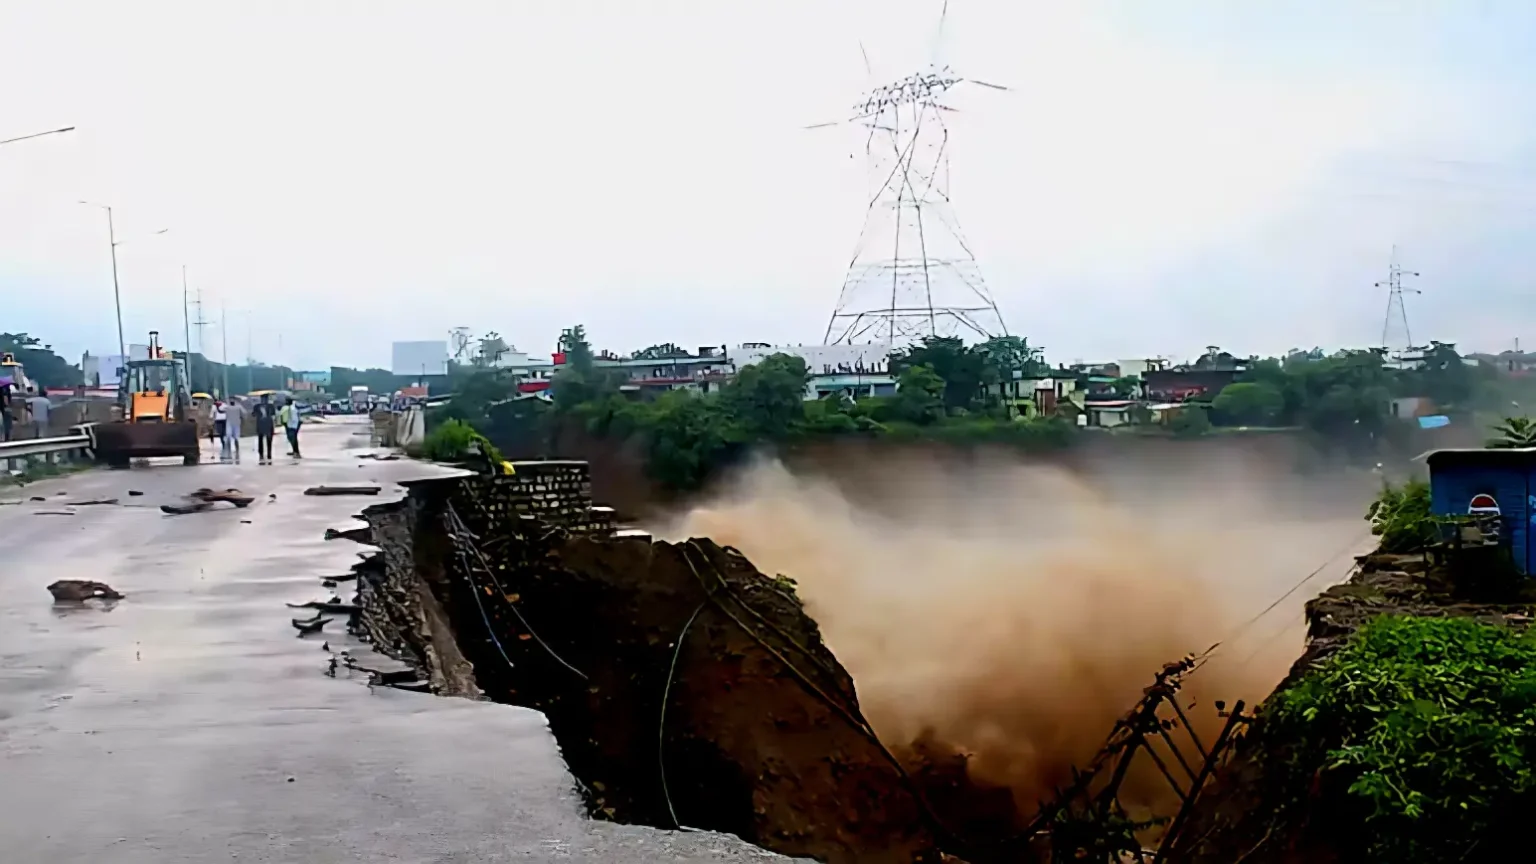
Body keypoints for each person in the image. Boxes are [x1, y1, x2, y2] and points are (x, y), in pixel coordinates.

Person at [252, 392, 276, 464]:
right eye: (263, 398)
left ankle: (269, 454)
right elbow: (253, 414)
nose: (264, 400)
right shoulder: (256, 406)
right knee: (260, 440)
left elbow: (273, 414)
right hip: (260, 424)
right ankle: (261, 454)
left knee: (269, 440)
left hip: (269, 424)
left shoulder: (271, 406)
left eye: (265, 398)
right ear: (261, 399)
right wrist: (256, 413)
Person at [223, 395, 245, 462]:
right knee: (228, 436)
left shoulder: (238, 407)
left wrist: (242, 418)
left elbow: (244, 413)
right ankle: (228, 450)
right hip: (229, 423)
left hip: (236, 423)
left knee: (236, 438)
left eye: (233, 400)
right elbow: (223, 412)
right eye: (230, 400)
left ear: (235, 401)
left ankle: (237, 450)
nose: (231, 401)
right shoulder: (227, 407)